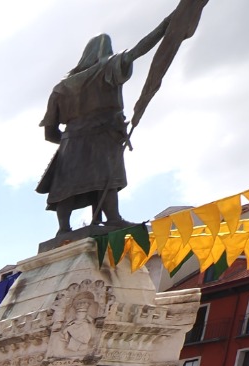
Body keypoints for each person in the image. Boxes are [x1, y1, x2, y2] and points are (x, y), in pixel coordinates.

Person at [37, 20, 170, 234]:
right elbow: (138, 50)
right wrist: (166, 25)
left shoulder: (61, 88)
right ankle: (113, 218)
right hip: (103, 137)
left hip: (69, 144)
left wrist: (70, 140)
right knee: (107, 177)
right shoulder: (107, 67)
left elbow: (50, 133)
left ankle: (63, 229)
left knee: (67, 186)